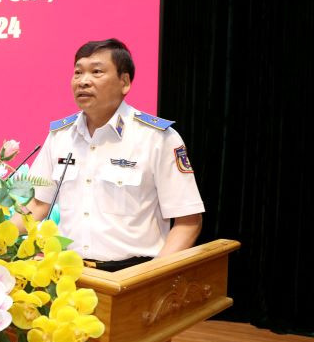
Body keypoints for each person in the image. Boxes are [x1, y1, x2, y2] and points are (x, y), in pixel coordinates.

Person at [16, 38, 204, 271]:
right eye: (78, 73)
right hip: (68, 273)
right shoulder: (60, 136)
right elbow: (37, 205)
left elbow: (188, 222)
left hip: (133, 274)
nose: (83, 81)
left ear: (124, 82)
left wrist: (152, 276)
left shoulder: (158, 138)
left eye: (96, 72)